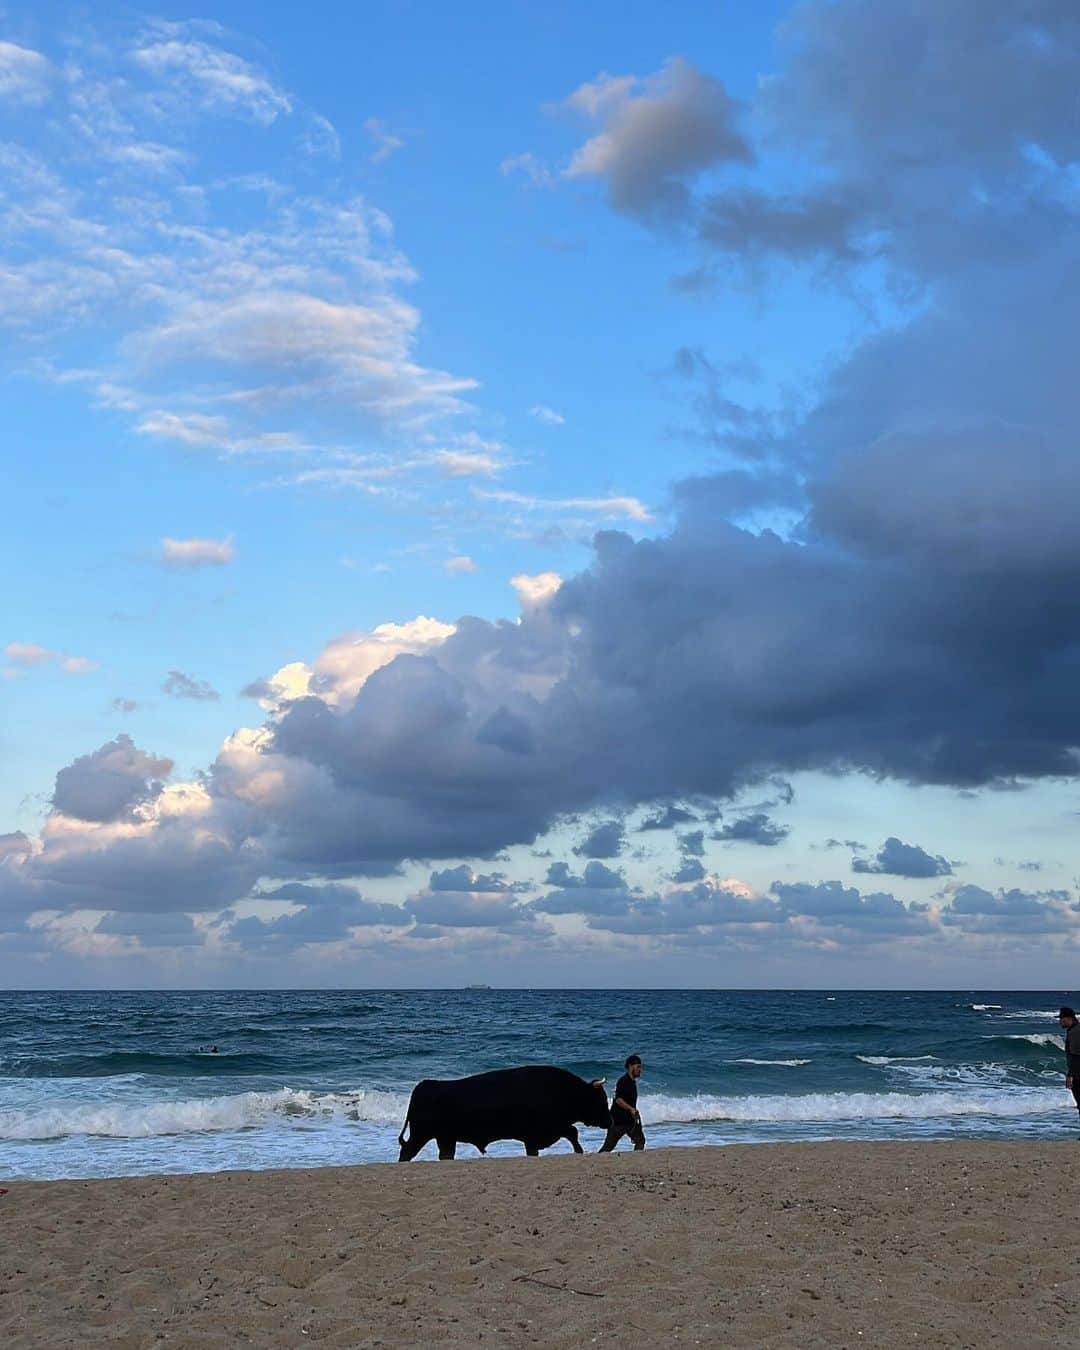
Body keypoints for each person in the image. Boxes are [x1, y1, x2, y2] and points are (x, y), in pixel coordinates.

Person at [599, 1054, 645, 1152]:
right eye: (638, 1067)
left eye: (640, 1067)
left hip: (629, 1121)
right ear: (630, 1066)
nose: (640, 1070)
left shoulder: (632, 1082)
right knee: (608, 1147)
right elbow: (618, 1100)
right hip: (617, 1121)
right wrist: (631, 1109)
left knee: (640, 1140)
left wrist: (634, 1113)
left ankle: (635, 1160)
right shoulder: (623, 1081)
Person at [1059, 1007, 1080, 1126]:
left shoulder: (1075, 1032)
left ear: (1069, 1019)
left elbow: (1077, 1056)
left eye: (1062, 1019)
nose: (1060, 1022)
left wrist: (1070, 1075)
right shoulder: (1074, 1030)